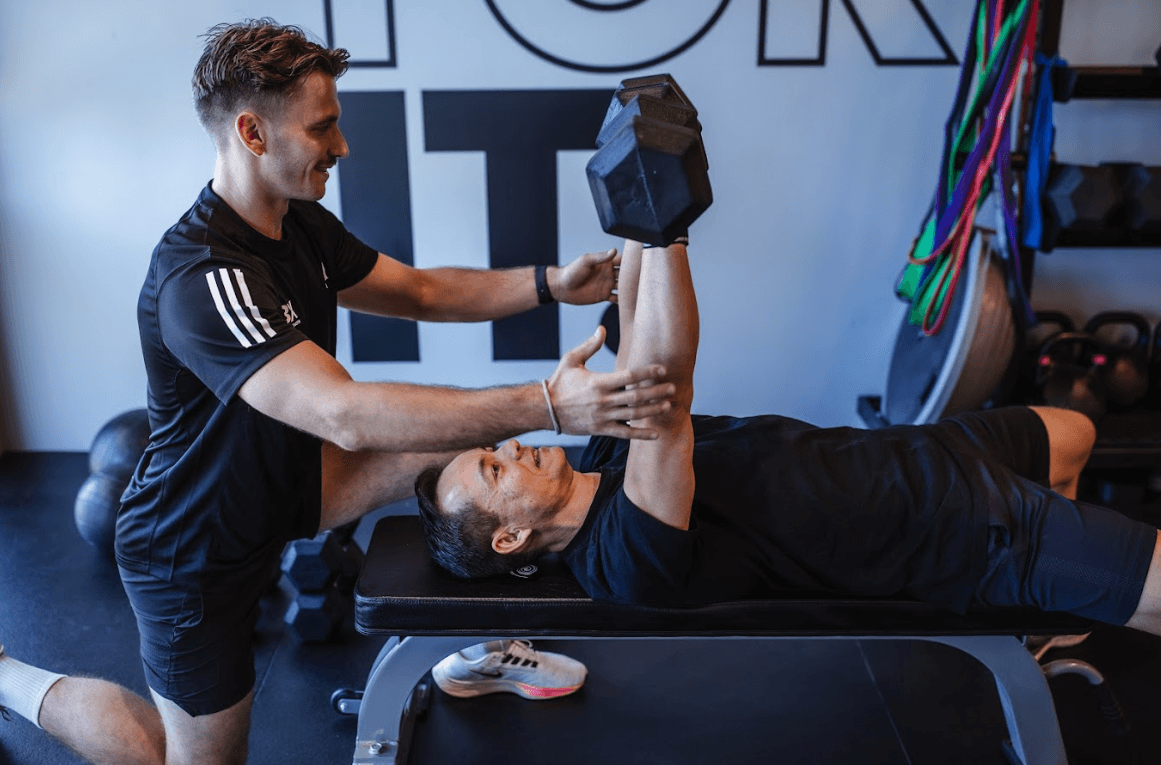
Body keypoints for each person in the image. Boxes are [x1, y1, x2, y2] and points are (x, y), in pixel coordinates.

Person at [0, 19, 677, 765]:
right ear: (253, 134)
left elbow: (418, 291)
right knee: (182, 758)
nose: (341, 146)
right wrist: (549, 402)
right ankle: (8, 677)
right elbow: (341, 414)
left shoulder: (301, 227)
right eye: (323, 127)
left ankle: (477, 648)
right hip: (194, 546)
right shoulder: (203, 277)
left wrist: (550, 284)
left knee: (476, 459)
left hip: (295, 484)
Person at [416, 236, 1161, 639]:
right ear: (510, 537)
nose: (511, 445)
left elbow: (635, 327)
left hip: (927, 454)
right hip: (957, 530)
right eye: (492, 465)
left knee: (1075, 431)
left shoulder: (605, 458)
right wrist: (664, 223)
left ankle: (1045, 614)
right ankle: (1048, 585)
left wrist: (631, 208)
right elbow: (663, 391)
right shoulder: (622, 559)